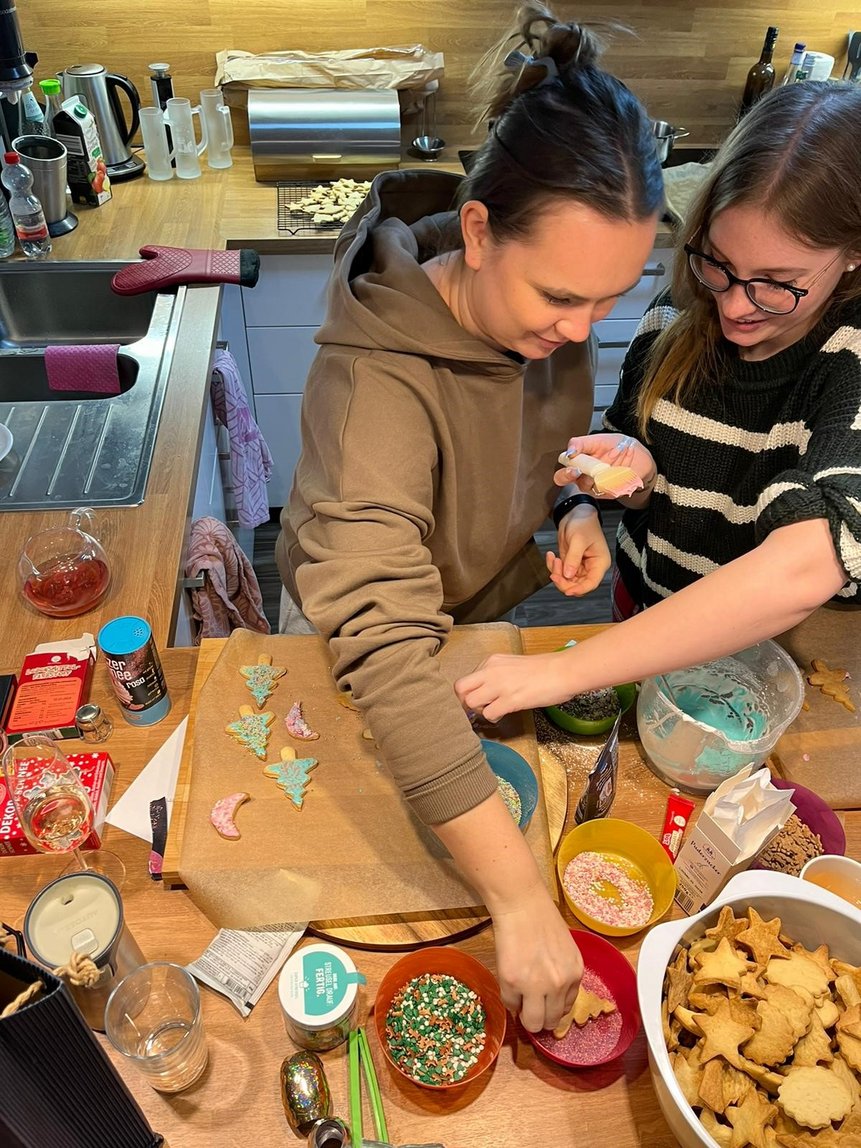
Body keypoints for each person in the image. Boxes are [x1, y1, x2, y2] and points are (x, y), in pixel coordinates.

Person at [276, 3, 663, 1032]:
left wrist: (573, 498)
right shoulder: (373, 386)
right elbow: (384, 643)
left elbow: (543, 435)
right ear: (482, 232)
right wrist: (519, 895)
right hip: (372, 642)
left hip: (479, 605)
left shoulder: (539, 298)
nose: (586, 331)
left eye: (612, 301)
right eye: (565, 299)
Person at [455, 80, 861, 729]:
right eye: (719, 264)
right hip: (641, 620)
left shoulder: (848, 362)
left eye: (777, 286)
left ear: (851, 256)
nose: (732, 306)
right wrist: (607, 483)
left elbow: (806, 564)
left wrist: (563, 670)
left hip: (779, 672)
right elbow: (637, 457)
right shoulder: (676, 314)